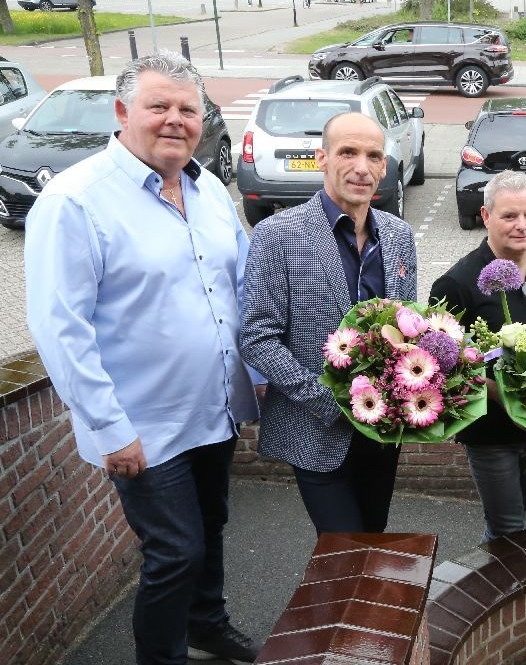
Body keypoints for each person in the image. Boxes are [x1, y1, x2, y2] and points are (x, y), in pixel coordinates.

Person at [25, 53, 260, 665]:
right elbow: (60, 328)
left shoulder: (208, 189)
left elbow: (238, 288)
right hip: (143, 425)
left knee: (210, 525)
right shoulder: (76, 201)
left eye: (188, 109)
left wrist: (253, 376)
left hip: (213, 408)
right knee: (175, 551)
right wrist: (108, 428)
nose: (176, 120)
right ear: (124, 112)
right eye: (159, 107)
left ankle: (207, 623)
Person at [239, 112, 418, 535]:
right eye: (348, 152)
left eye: (373, 156)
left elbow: (408, 328)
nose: (361, 167)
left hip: (381, 433)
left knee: (373, 538)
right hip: (317, 426)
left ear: (384, 166)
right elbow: (257, 336)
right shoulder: (276, 234)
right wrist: (330, 402)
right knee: (341, 549)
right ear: (322, 157)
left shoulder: (398, 235)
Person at [430, 171, 526, 541]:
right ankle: (493, 594)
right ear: (485, 216)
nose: (522, 225)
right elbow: (441, 371)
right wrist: (504, 395)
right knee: (507, 525)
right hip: (490, 432)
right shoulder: (456, 283)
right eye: (509, 216)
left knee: (522, 509)